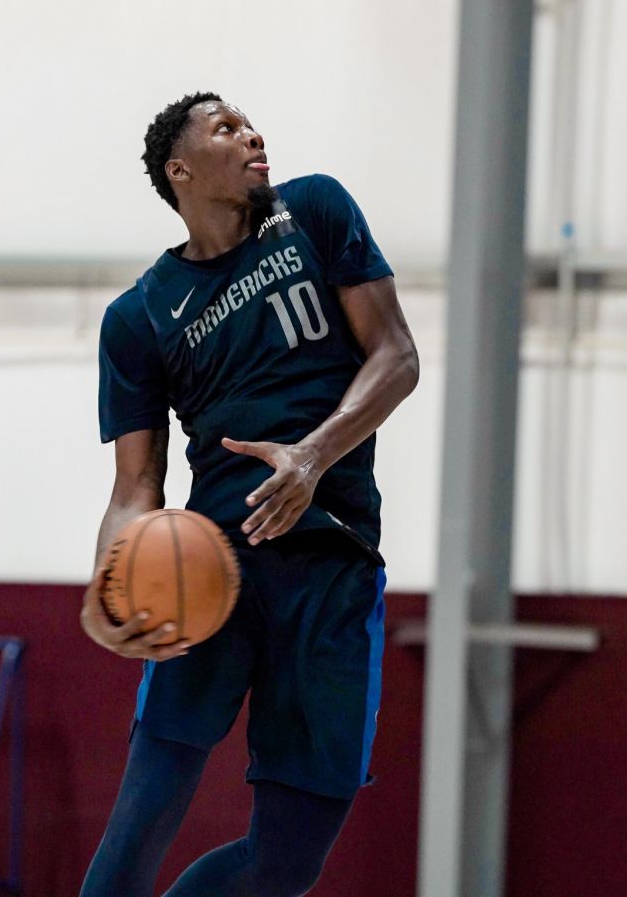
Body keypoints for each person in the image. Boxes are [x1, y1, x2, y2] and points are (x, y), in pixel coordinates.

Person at [78, 92, 419, 896]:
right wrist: (110, 583)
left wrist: (311, 458)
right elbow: (136, 485)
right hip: (213, 568)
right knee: (141, 823)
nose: (252, 133)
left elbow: (397, 357)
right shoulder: (138, 317)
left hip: (333, 566)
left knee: (285, 864)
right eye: (225, 128)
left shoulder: (316, 211)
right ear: (180, 170)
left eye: (250, 122)